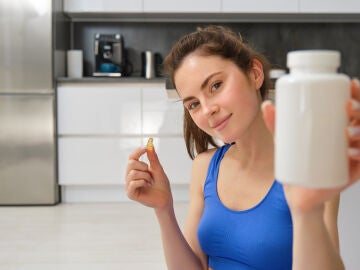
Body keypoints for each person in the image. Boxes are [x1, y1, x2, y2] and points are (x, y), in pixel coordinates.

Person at [125, 25, 360, 270]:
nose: (207, 110)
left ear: (254, 74)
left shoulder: (306, 167)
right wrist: (164, 209)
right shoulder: (205, 167)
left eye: (215, 85)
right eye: (193, 104)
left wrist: (306, 213)